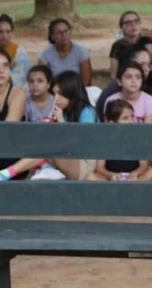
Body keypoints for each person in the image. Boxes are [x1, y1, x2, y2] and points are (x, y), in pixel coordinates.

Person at [0, 70, 101, 181]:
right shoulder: (64, 110)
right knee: (43, 142)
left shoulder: (86, 111)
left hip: (84, 164)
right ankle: (41, 165)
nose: (56, 98)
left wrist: (61, 122)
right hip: (65, 159)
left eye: (60, 94)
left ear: (71, 92)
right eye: (55, 93)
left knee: (50, 146)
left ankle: (7, 173)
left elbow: (81, 144)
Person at [87, 100, 152, 182]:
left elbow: (144, 165)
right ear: (112, 123)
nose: (131, 121)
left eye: (132, 116)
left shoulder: (138, 138)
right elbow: (100, 167)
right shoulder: (106, 140)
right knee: (91, 177)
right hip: (112, 179)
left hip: (134, 179)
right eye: (125, 118)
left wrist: (135, 173)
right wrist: (111, 175)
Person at [38, 18, 92, 85]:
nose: (63, 35)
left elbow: (86, 82)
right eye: (59, 32)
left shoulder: (81, 51)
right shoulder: (45, 54)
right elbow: (41, 79)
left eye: (66, 31)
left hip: (76, 91)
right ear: (52, 36)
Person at [0, 48, 27, 180]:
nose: (1, 70)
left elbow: (6, 129)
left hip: (10, 156)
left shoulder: (17, 94)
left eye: (5, 65)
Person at [108, 11, 152, 79]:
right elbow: (113, 74)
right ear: (121, 27)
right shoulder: (117, 46)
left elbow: (149, 65)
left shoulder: (147, 42)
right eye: (128, 23)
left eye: (136, 21)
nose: (133, 25)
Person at [0, 14, 30, 88]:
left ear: (12, 32)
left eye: (8, 32)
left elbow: (26, 77)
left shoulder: (20, 51)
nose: (4, 36)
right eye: (0, 32)